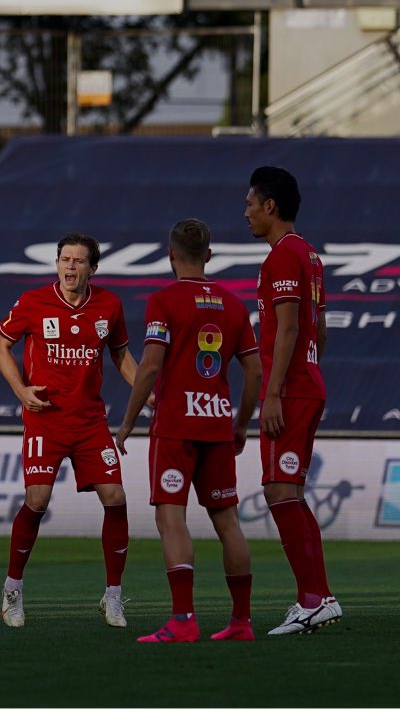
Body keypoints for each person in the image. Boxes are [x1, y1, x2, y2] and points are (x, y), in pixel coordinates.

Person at [116, 218, 262, 643]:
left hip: (176, 426)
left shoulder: (162, 300)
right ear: (210, 256)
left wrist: (127, 422)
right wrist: (241, 423)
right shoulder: (234, 305)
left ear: (171, 256)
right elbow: (253, 370)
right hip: (217, 422)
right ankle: (241, 622)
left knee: (171, 517)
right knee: (228, 521)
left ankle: (183, 620)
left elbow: (152, 364)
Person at [0, 233, 137, 630]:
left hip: (90, 423)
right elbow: (1, 346)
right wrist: (21, 390)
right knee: (36, 501)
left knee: (116, 497)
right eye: (65, 260)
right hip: (46, 419)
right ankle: (13, 589)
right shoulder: (33, 302)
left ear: (93, 268)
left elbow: (121, 354)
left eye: (78, 261)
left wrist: (146, 393)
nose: (70, 267)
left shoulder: (109, 305)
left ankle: (113, 597)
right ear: (56, 264)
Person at [243, 165, 342, 636]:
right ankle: (319, 596)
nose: (245, 214)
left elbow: (287, 329)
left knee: (280, 491)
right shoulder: (310, 255)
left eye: (249, 204)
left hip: (292, 389)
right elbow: (318, 327)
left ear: (270, 207)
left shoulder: (282, 258)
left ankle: (311, 599)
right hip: (308, 381)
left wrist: (277, 391)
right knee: (289, 493)